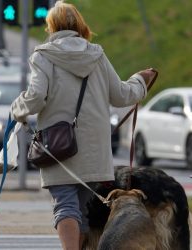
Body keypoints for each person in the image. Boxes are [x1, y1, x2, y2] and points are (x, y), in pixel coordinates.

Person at [10, 1, 157, 249]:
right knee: (80, 209)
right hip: (93, 149)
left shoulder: (43, 56)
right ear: (80, 24)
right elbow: (121, 95)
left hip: (59, 145)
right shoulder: (97, 54)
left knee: (65, 205)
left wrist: (16, 109)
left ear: (51, 26)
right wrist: (140, 81)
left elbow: (35, 97)